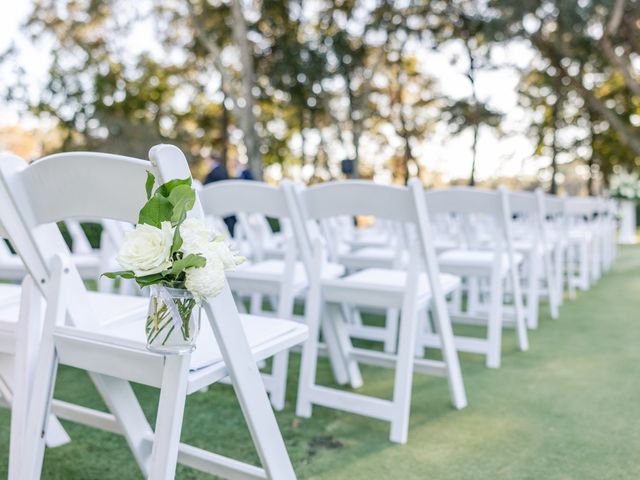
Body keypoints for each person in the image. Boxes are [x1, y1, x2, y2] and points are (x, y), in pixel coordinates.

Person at [204, 154, 236, 236]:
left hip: (219, 201)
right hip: (224, 200)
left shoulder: (216, 171)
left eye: (208, 160)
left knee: (225, 221)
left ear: (212, 160)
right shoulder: (222, 170)